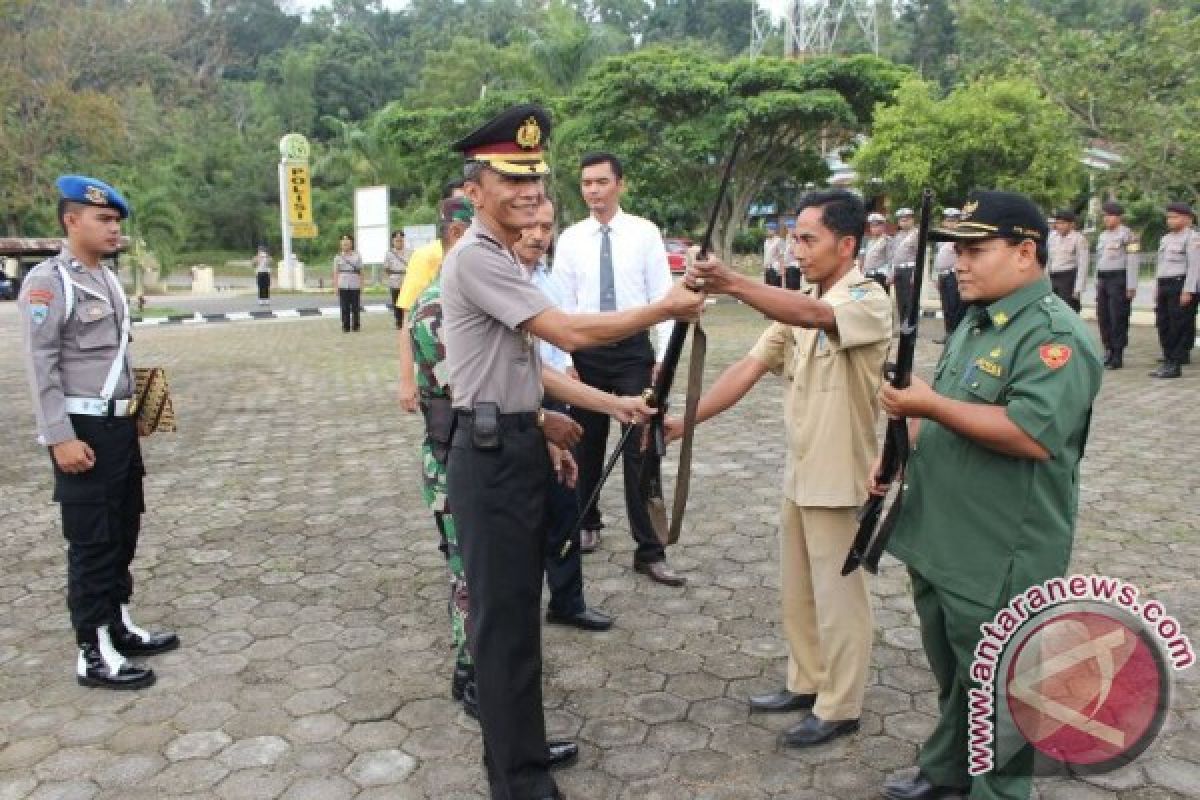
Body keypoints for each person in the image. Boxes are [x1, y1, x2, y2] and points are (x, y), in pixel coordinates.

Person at [440, 103, 703, 800]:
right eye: (510, 178)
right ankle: (518, 781)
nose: (530, 191)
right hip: (489, 458)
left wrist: (603, 407)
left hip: (514, 443)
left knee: (520, 616)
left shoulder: (501, 256)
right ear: (474, 191)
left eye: (535, 177)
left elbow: (533, 365)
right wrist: (663, 309)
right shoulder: (477, 258)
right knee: (501, 627)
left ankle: (522, 751)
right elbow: (568, 333)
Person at [872, 190, 1102, 800]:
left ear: (1026, 252)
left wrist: (928, 403)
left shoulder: (1055, 336)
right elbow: (944, 411)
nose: (960, 263)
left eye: (974, 249)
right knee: (957, 671)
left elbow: (1030, 434)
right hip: (941, 532)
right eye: (956, 250)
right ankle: (948, 765)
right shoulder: (979, 319)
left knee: (1002, 684)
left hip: (1000, 548)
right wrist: (897, 450)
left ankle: (998, 790)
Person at [676, 189, 892, 748]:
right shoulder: (798, 302)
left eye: (808, 239)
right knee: (797, 590)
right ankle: (808, 680)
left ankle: (842, 705)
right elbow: (747, 369)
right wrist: (683, 422)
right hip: (800, 472)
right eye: (795, 237)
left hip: (841, 476)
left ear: (847, 244)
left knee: (841, 597)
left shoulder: (865, 298)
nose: (797, 249)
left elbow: (819, 316)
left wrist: (732, 283)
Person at [17, 175, 179, 691]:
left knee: (124, 528)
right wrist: (57, 437)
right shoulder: (50, 282)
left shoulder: (105, 278)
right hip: (81, 428)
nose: (114, 229)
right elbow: (41, 366)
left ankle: (117, 623)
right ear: (72, 221)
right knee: (91, 540)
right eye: (103, 220)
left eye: (116, 221)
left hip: (118, 426)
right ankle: (91, 650)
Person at [552, 151, 683, 585]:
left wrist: (663, 359)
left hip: (633, 354)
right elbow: (560, 302)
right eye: (586, 183)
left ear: (620, 184)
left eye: (601, 182)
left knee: (641, 450)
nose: (593, 190)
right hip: (585, 352)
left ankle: (650, 549)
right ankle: (586, 523)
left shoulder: (644, 233)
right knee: (583, 444)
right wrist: (565, 360)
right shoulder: (570, 238)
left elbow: (663, 297)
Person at [517, 196, 618, 632]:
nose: (539, 235)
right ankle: (515, 608)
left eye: (547, 226)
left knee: (565, 500)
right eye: (531, 225)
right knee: (522, 510)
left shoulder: (548, 278)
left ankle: (567, 600)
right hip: (516, 403)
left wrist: (570, 377)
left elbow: (560, 343)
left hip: (555, 395)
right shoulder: (500, 278)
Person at [405, 196, 480, 717]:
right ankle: (474, 675)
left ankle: (470, 670)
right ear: (458, 236)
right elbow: (476, 393)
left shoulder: (459, 299)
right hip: (457, 458)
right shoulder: (441, 308)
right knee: (471, 575)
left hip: (460, 453)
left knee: (471, 572)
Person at [1150, 201, 1200, 379]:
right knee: (1163, 323)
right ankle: (1167, 358)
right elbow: (1160, 265)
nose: (1170, 221)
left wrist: (1188, 290)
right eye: (1168, 217)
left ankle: (1175, 364)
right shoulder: (1166, 238)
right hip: (1165, 284)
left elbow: (1195, 266)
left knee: (1177, 325)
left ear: (1187, 219)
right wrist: (1156, 287)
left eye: (1174, 217)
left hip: (1180, 284)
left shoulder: (1192, 238)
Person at [1092, 201, 1140, 369]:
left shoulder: (1128, 235)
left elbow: (1133, 260)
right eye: (1105, 215)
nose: (1106, 219)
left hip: (1119, 280)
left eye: (1110, 215)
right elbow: (1099, 260)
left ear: (1118, 217)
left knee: (1117, 317)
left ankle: (1117, 354)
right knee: (1103, 317)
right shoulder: (1103, 236)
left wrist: (1131, 285)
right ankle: (1108, 350)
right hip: (1103, 279)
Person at [1046, 209, 1088, 315]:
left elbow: (1083, 265)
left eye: (1063, 223)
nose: (1059, 226)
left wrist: (1078, 289)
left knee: (1067, 311)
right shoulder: (1052, 237)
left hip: (1068, 278)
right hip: (1053, 277)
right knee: (1052, 309)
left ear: (1071, 224)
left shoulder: (1078, 239)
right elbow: (1048, 259)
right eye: (1058, 223)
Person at [932, 208, 964, 342]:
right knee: (945, 306)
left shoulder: (960, 238)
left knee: (954, 305)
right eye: (948, 220)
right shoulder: (941, 239)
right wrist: (935, 276)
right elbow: (937, 258)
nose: (950, 223)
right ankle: (948, 333)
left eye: (953, 221)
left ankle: (956, 334)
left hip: (953, 274)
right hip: (943, 275)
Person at [333, 234, 364, 332]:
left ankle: (356, 325)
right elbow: (335, 273)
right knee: (344, 307)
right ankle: (345, 326)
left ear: (351, 244)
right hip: (343, 284)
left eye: (347, 242)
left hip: (355, 284)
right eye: (343, 242)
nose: (345, 244)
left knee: (355, 306)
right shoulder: (337, 257)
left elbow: (361, 271)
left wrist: (362, 285)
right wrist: (336, 286)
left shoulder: (357, 256)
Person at [891, 207, 919, 316]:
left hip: (910, 270)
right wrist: (892, 272)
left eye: (906, 219)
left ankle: (910, 330)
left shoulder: (916, 234)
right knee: (900, 301)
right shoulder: (897, 236)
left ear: (912, 220)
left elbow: (919, 255)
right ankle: (903, 328)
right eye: (901, 220)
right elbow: (894, 256)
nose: (904, 222)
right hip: (898, 270)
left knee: (910, 301)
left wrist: (915, 273)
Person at [859, 211, 893, 293]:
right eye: (872, 226)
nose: (874, 228)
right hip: (868, 275)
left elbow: (891, 259)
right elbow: (863, 258)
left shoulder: (887, 240)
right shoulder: (869, 241)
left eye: (877, 226)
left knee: (880, 300)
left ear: (883, 226)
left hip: (880, 275)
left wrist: (889, 275)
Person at [384, 230, 410, 328]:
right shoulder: (389, 253)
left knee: (406, 301)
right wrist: (391, 277)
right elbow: (386, 268)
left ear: (404, 240)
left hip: (407, 279)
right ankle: (398, 321)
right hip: (394, 280)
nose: (399, 241)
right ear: (393, 241)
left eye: (401, 239)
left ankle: (406, 321)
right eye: (397, 240)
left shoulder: (410, 252)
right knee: (396, 302)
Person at [763, 221, 784, 287]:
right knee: (767, 287)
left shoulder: (779, 240)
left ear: (774, 230)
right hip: (768, 268)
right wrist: (764, 266)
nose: (768, 231)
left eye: (769, 229)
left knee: (775, 287)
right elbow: (766, 254)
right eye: (767, 229)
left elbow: (781, 255)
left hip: (775, 268)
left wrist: (781, 270)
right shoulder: (766, 241)